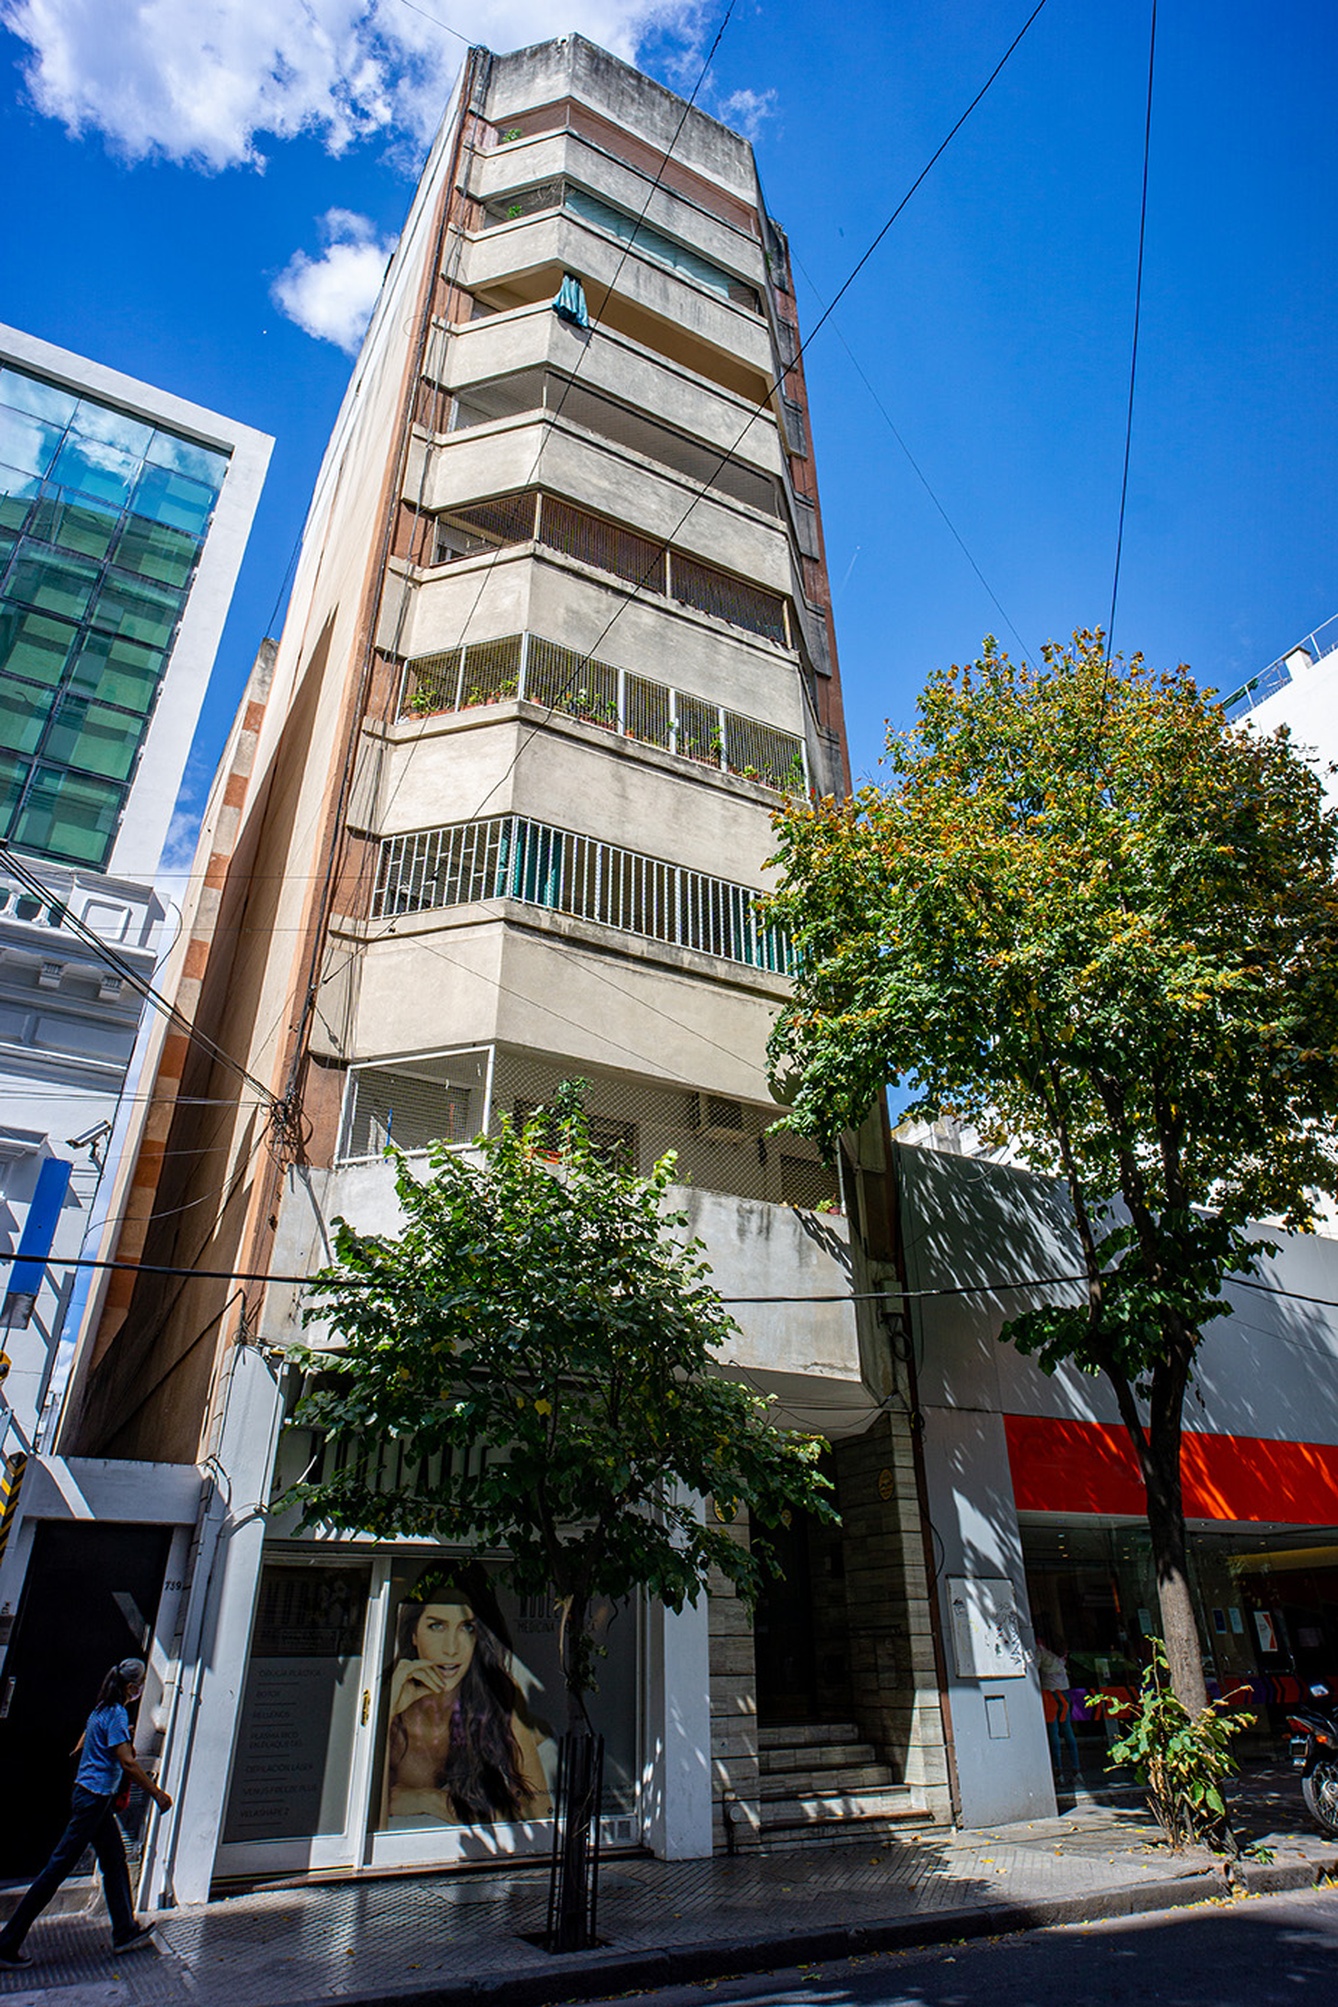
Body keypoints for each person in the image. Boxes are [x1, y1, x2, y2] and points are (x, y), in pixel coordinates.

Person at [0, 1656, 172, 1969]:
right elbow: (128, 1763)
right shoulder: (116, 1713)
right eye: (140, 1685)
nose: (141, 1689)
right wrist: (157, 1794)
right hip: (93, 1801)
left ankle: (124, 1930)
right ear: (131, 1687)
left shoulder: (101, 1710)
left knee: (114, 1860)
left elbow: (85, 1742)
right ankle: (7, 1942)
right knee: (56, 1870)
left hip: (93, 1799)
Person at [383, 1564, 551, 1826]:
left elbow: (539, 1813)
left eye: (467, 1628)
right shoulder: (385, 1694)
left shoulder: (498, 1692)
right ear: (414, 1633)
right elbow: (363, 1818)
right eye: (436, 1626)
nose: (451, 1649)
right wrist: (387, 1713)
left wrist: (431, 1800)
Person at [1034, 1629, 1082, 1783]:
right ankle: (1076, 1770)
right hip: (1064, 1694)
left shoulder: (1042, 1652)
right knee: (1068, 1732)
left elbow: (1034, 1667)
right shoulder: (1062, 1654)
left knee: (1053, 1735)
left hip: (1049, 1695)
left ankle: (1058, 1772)